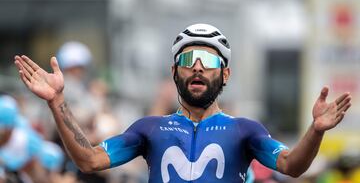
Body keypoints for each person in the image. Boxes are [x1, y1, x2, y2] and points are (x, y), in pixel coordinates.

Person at [14, 23, 352, 183]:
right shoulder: (149, 129)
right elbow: (88, 161)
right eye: (189, 58)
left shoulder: (245, 130)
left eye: (210, 60)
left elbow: (292, 166)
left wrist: (316, 131)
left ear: (226, 73)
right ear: (175, 71)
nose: (199, 67)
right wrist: (57, 100)